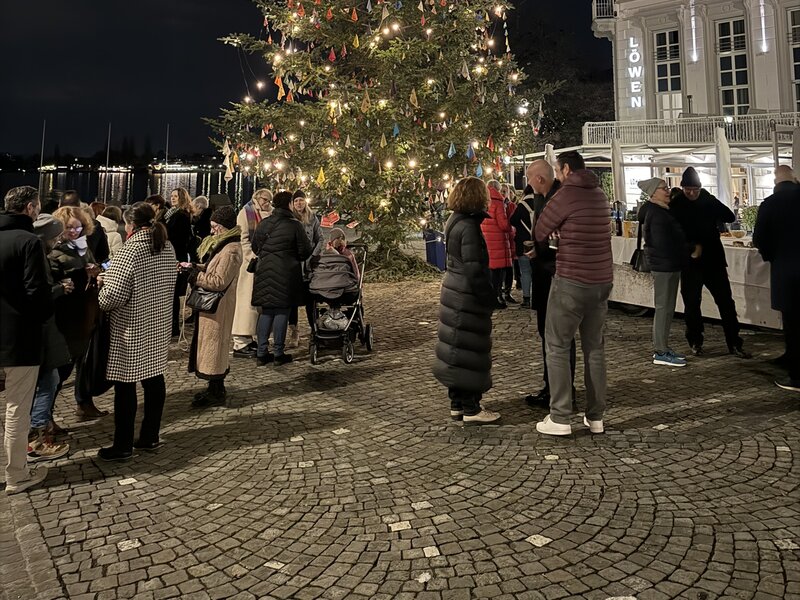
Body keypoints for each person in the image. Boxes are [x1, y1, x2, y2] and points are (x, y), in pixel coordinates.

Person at [533, 151, 613, 436]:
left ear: (566, 169)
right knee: (595, 348)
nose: (557, 175)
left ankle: (560, 416)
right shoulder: (600, 195)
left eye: (558, 170)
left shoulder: (566, 195)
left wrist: (558, 234)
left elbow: (541, 230)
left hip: (572, 279)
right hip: (602, 280)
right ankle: (596, 417)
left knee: (557, 345)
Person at [96, 202, 177, 461]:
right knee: (154, 379)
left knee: (125, 386)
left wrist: (102, 284)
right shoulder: (166, 246)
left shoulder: (128, 252)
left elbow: (112, 298)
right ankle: (150, 435)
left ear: (129, 225)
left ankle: (122, 445)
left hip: (131, 328)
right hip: (158, 323)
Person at [432, 177, 500, 425]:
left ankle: (457, 404)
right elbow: (474, 268)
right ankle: (471, 408)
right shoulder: (469, 226)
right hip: (467, 296)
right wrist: (489, 298)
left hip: (454, 289)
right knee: (470, 351)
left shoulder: (455, 221)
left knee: (456, 350)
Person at [0, 186, 52, 493]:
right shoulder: (29, 242)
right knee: (17, 408)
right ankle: (16, 475)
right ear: (30, 208)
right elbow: (37, 292)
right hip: (19, 337)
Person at [670, 167, 751, 358]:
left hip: (713, 259)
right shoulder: (677, 205)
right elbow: (674, 234)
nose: (691, 193)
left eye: (695, 190)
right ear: (682, 187)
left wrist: (710, 202)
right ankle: (695, 341)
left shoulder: (707, 199)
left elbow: (729, 216)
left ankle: (734, 342)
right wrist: (691, 247)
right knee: (692, 304)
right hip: (691, 261)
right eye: (687, 189)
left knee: (725, 302)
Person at [523, 160, 576, 408]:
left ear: (540, 179)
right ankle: (552, 385)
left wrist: (541, 250)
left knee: (558, 336)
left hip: (555, 275)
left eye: (529, 178)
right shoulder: (546, 198)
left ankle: (561, 390)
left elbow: (559, 240)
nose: (528, 183)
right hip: (545, 275)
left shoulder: (557, 199)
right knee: (548, 334)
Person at [50, 206, 106, 420]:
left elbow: (94, 266)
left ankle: (84, 402)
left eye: (78, 227)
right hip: (66, 316)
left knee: (83, 363)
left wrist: (96, 271)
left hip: (86, 314)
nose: (74, 231)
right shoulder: (54, 251)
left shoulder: (84, 247)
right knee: (60, 371)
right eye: (69, 228)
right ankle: (46, 418)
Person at [637, 178, 700, 367]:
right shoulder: (656, 214)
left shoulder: (660, 211)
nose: (668, 191)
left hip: (669, 264)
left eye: (667, 188)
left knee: (668, 308)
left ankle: (663, 347)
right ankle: (660, 351)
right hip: (665, 265)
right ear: (654, 193)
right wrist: (688, 249)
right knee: (664, 308)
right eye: (664, 188)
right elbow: (664, 242)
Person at [187, 206, 242, 406]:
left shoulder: (231, 249)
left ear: (224, 227)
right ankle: (214, 387)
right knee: (212, 345)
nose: (212, 231)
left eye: (215, 227)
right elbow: (213, 269)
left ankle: (216, 391)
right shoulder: (224, 245)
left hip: (219, 306)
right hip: (214, 306)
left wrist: (195, 276)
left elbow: (219, 281)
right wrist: (194, 267)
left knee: (216, 346)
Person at [28, 214, 72, 462]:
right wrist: (59, 289)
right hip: (39, 328)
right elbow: (37, 292)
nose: (59, 240)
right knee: (48, 380)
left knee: (46, 380)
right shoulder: (36, 255)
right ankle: (35, 438)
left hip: (35, 329)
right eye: (56, 236)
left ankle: (35, 433)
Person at [251, 191, 313, 366]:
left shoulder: (263, 224)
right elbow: (305, 251)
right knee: (281, 311)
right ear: (289, 205)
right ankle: (278, 352)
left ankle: (261, 353)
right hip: (286, 273)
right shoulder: (295, 225)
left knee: (266, 311)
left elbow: (256, 247)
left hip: (264, 272)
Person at [753, 165, 800, 392]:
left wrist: (773, 257)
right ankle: (790, 358)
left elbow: (760, 238)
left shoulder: (770, 204)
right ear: (794, 179)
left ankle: (797, 375)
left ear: (775, 181)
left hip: (787, 272)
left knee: (792, 324)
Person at [232, 189, 273, 357]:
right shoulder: (246, 213)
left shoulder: (268, 213)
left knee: (257, 304)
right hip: (249, 265)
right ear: (256, 198)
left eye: (270, 201)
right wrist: (252, 257)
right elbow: (243, 239)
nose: (267, 203)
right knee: (246, 303)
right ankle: (240, 341)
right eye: (265, 200)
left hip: (263, 264)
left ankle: (251, 337)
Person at [288, 190, 323, 346]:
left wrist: (314, 256)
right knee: (293, 301)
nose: (299, 204)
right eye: (296, 201)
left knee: (310, 300)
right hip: (294, 265)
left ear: (305, 202)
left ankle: (314, 329)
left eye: (301, 200)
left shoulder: (312, 218)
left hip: (308, 265)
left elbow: (319, 238)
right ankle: (294, 332)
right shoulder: (290, 218)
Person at [164, 188, 194, 336]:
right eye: (171, 196)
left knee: (173, 292)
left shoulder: (181, 215)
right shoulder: (172, 214)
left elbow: (177, 236)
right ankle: (172, 324)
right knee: (173, 292)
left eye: (176, 196)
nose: (173, 198)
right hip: (175, 254)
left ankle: (173, 325)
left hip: (176, 255)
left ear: (182, 198)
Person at [480, 180, 514, 309]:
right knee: (498, 273)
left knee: (489, 271)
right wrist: (510, 226)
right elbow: (503, 224)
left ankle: (489, 296)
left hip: (486, 238)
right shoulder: (498, 202)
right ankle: (496, 297)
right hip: (498, 241)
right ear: (498, 189)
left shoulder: (483, 200)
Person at [309, 229, 360, 305]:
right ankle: (352, 315)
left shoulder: (323, 255)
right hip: (345, 291)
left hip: (322, 291)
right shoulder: (348, 255)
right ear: (344, 240)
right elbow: (356, 275)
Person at [60, 190, 110, 264]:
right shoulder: (94, 224)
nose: (73, 232)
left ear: (59, 205)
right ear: (79, 206)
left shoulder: (54, 224)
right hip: (88, 268)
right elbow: (104, 254)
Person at [509, 184, 535, 307]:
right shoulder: (542, 202)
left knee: (525, 271)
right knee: (537, 271)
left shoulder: (522, 205)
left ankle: (526, 298)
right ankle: (537, 297)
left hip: (523, 242)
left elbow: (512, 220)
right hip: (538, 242)